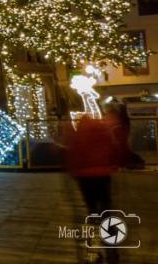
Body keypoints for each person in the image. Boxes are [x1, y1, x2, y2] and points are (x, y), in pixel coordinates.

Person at [66, 108, 125, 264]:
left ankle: (93, 249)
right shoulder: (103, 130)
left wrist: (73, 171)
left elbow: (74, 153)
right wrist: (113, 165)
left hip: (85, 177)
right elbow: (114, 148)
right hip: (103, 174)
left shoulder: (79, 134)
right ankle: (112, 247)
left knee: (91, 210)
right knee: (106, 209)